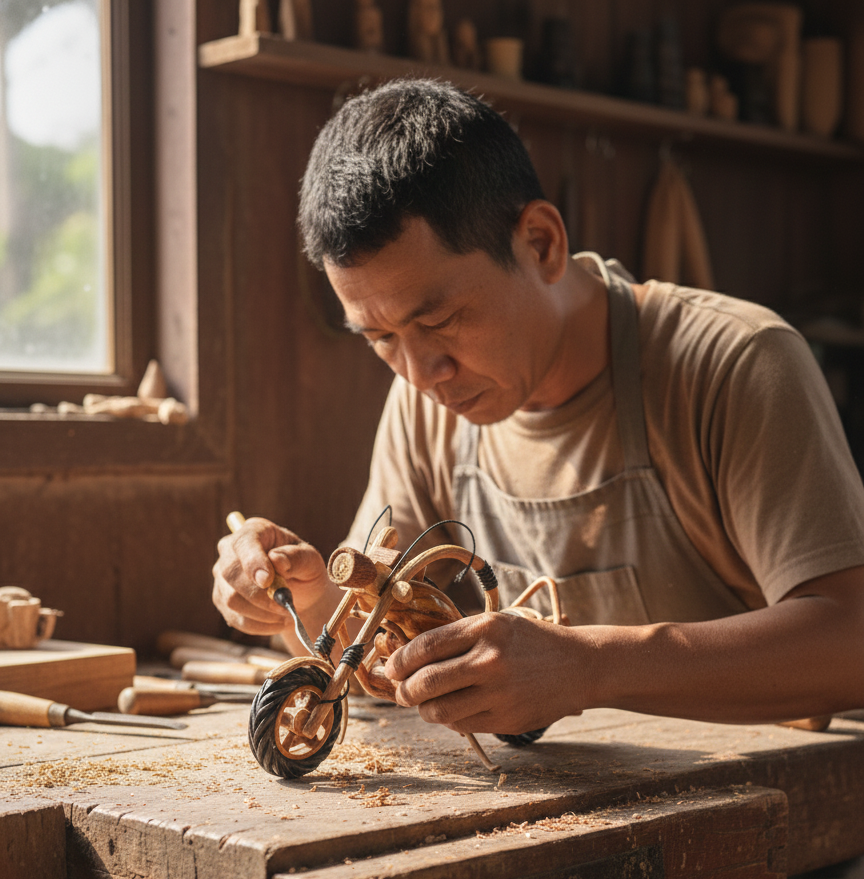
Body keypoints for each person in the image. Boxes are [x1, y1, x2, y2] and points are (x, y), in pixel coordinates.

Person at [212, 78, 864, 740]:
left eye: (441, 318)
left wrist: (586, 668)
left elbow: (850, 641)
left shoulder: (736, 365)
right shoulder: (425, 400)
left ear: (542, 244)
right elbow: (372, 634)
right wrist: (303, 594)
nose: (421, 373)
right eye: (380, 338)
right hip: (565, 811)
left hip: (776, 810)